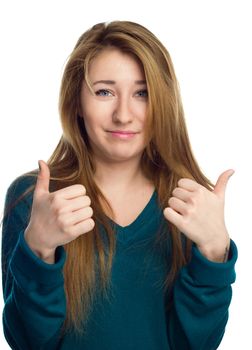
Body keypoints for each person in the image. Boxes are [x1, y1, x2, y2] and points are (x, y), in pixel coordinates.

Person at [1, 21, 237, 350]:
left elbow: (197, 344)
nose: (123, 115)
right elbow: (29, 343)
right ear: (77, 103)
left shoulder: (191, 205)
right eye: (104, 92)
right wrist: (38, 250)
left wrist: (214, 254)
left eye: (142, 93)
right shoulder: (34, 200)